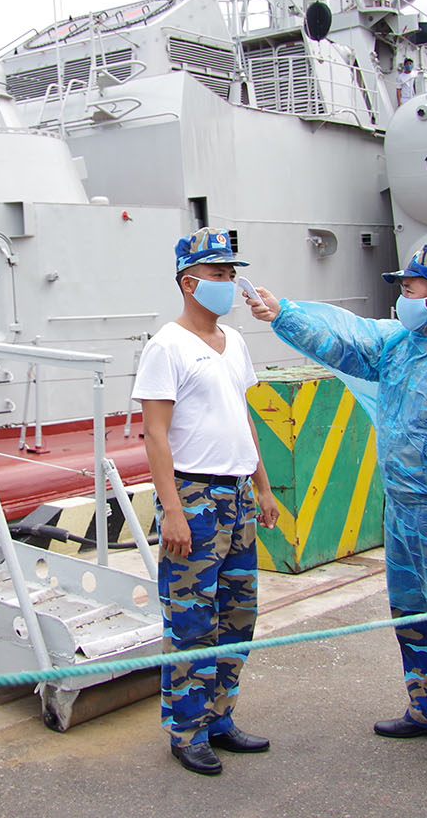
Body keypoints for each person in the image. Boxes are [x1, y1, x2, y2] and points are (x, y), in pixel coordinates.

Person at [248, 244, 427, 780]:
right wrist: (283, 315)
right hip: (401, 510)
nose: (402, 296)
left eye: (411, 287)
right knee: (410, 612)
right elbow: (343, 349)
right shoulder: (400, 349)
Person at [131, 226, 281, 777]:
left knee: (237, 614)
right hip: (194, 495)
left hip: (237, 493)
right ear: (190, 283)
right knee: (191, 619)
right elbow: (155, 434)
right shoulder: (166, 346)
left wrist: (262, 485)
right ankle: (187, 731)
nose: (230, 283)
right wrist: (172, 509)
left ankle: (220, 717)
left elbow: (243, 417)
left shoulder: (233, 341)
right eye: (219, 274)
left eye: (231, 273)